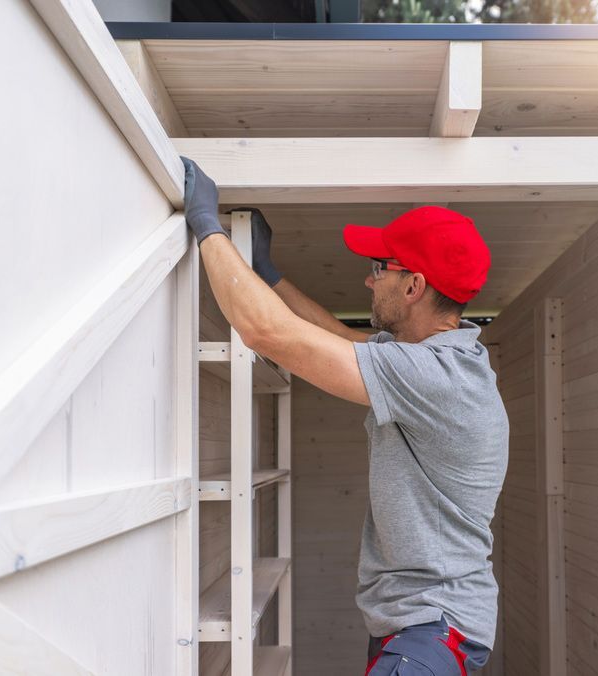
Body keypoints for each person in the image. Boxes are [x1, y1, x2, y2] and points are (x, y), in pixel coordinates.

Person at [182, 157, 509, 676]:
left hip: (431, 629)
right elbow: (348, 342)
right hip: (424, 625)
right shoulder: (444, 361)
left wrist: (207, 228)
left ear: (413, 286)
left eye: (381, 267)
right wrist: (267, 275)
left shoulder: (436, 377)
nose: (367, 278)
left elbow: (270, 335)